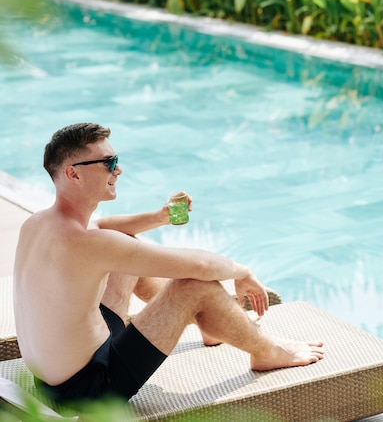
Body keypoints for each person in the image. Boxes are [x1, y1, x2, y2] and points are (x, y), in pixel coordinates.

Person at [13, 122, 324, 405]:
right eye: (109, 163)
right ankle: (266, 351)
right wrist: (243, 271)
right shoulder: (87, 245)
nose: (118, 170)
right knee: (193, 287)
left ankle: (212, 325)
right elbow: (200, 266)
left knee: (129, 248)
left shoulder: (40, 223)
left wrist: (160, 217)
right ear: (74, 173)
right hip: (88, 389)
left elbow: (104, 227)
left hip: (57, 374)